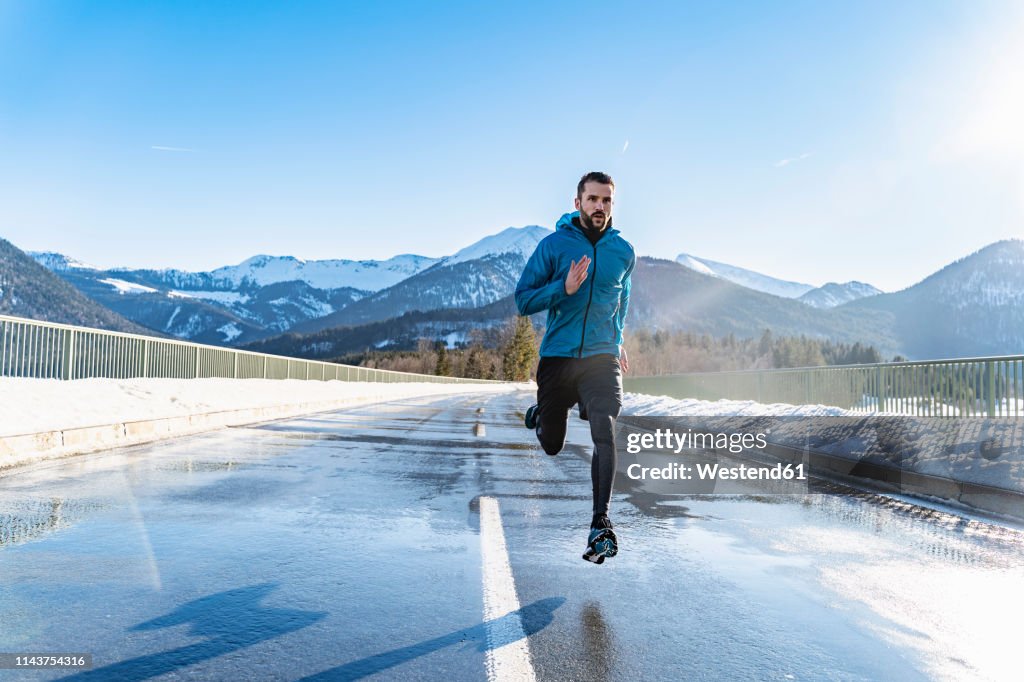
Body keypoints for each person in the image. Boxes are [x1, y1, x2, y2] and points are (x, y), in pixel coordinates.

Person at [514, 171, 636, 564]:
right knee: (552, 445)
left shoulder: (624, 252)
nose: (600, 206)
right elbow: (523, 301)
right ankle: (542, 416)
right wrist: (561, 289)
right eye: (593, 199)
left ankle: (600, 523)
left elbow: (623, 303)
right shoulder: (553, 246)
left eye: (607, 201)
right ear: (578, 203)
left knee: (605, 427)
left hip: (601, 358)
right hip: (559, 358)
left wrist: (617, 341)